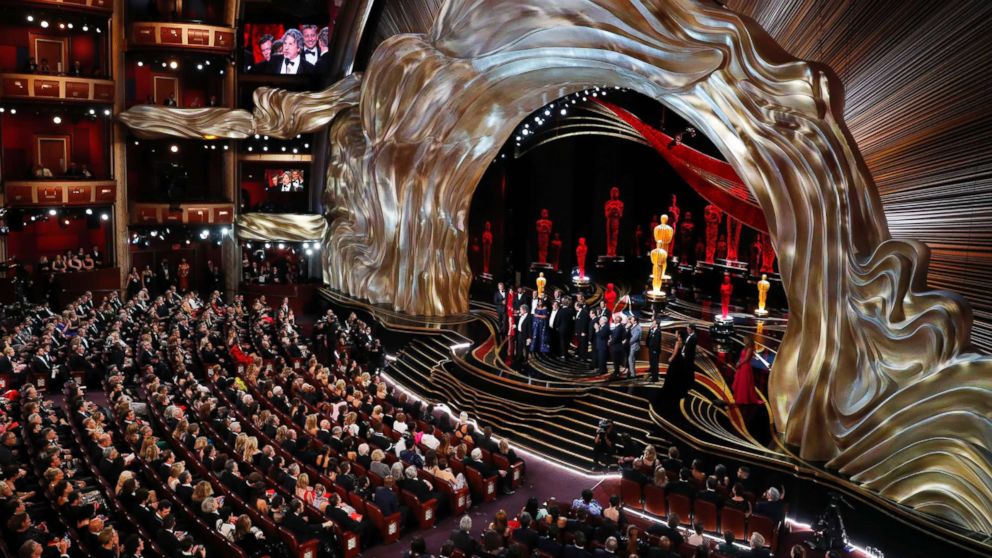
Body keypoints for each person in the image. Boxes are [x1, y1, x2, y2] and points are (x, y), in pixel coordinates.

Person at [732, 336, 761, 423]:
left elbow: (746, 359)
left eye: (745, 339)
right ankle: (740, 397)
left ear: (748, 340)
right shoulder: (746, 347)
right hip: (741, 366)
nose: (743, 341)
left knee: (744, 383)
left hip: (745, 367)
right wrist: (738, 362)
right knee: (741, 383)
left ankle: (744, 398)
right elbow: (742, 357)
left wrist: (739, 364)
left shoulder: (750, 348)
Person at [515, 304, 533, 370]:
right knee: (519, 346)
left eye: (521, 309)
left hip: (525, 335)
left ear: (525, 310)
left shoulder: (529, 317)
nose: (520, 311)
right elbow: (520, 324)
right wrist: (516, 326)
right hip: (520, 334)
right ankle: (519, 358)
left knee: (526, 348)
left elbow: (530, 329)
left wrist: (529, 338)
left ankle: (525, 360)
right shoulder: (521, 316)